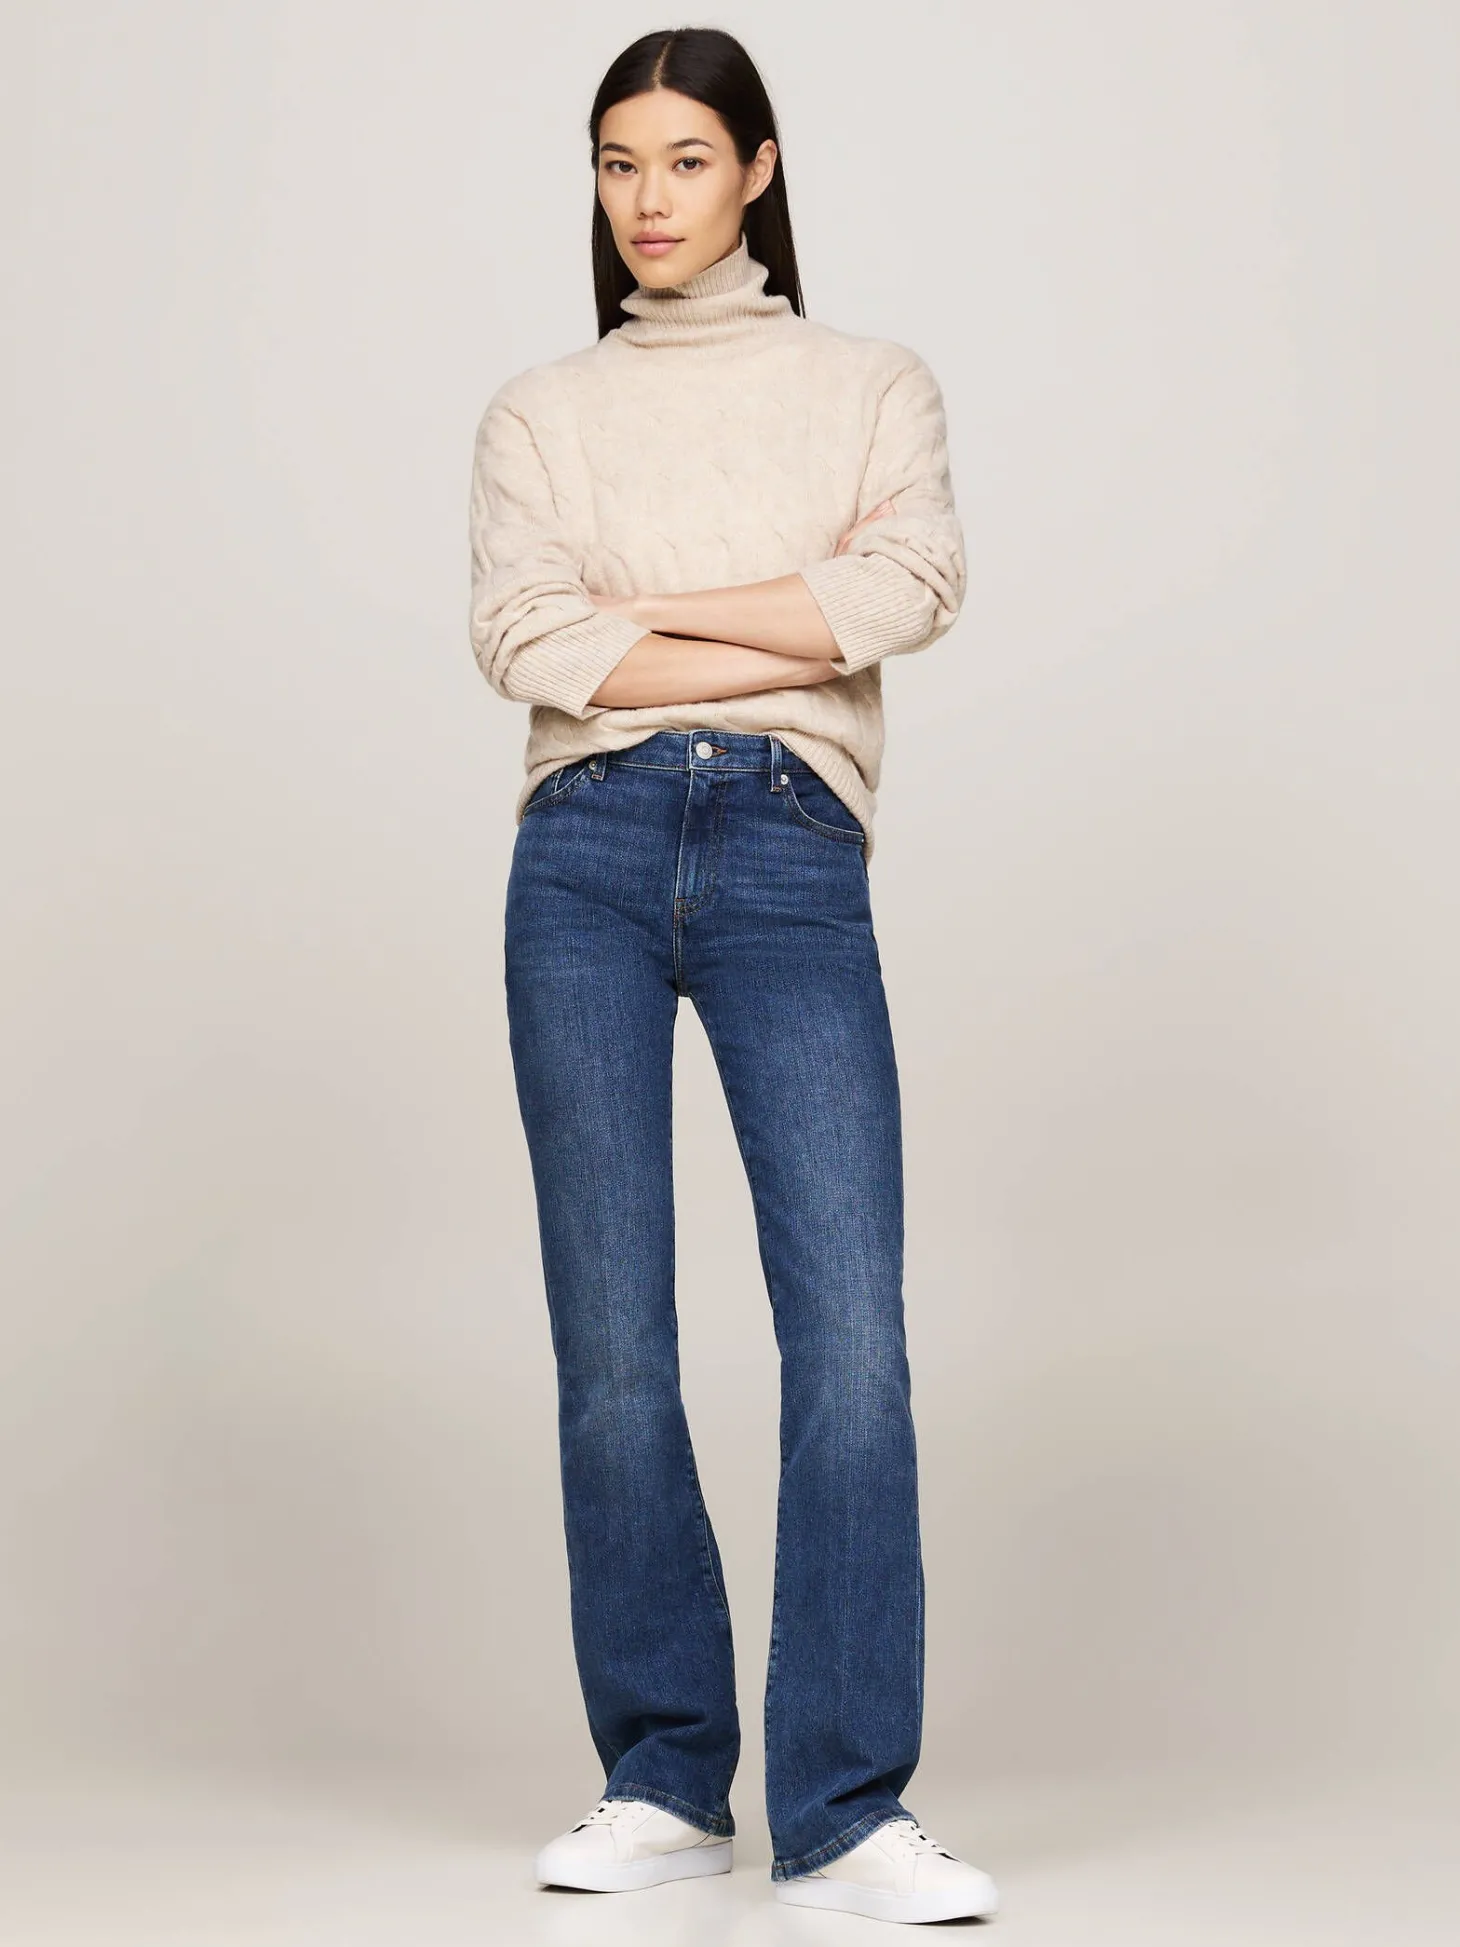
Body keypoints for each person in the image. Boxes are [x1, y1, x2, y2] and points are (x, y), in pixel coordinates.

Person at [468, 26, 999, 1927]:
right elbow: (527, 639)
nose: (649, 199)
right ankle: (666, 1777)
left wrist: (647, 616)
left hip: (790, 846)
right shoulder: (541, 411)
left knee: (850, 1337)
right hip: (584, 856)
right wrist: (789, 610)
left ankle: (846, 1808)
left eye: (686, 160)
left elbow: (910, 591)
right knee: (614, 1345)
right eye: (619, 163)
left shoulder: (870, 384)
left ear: (758, 170)